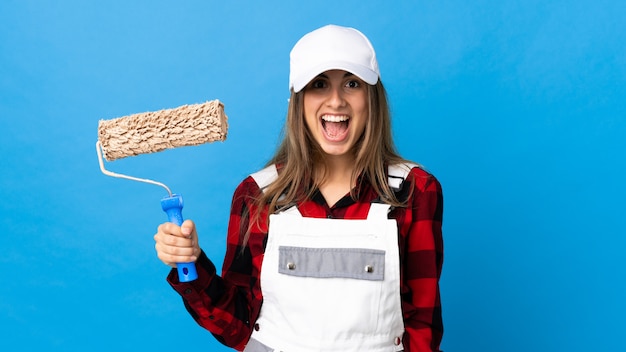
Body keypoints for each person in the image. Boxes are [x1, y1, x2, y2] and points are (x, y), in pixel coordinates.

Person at [154, 24, 444, 352]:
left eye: (352, 83)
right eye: (319, 85)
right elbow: (239, 326)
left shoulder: (414, 191)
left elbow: (422, 326)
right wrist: (189, 262)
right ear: (298, 100)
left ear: (371, 97)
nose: (336, 101)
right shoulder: (257, 196)